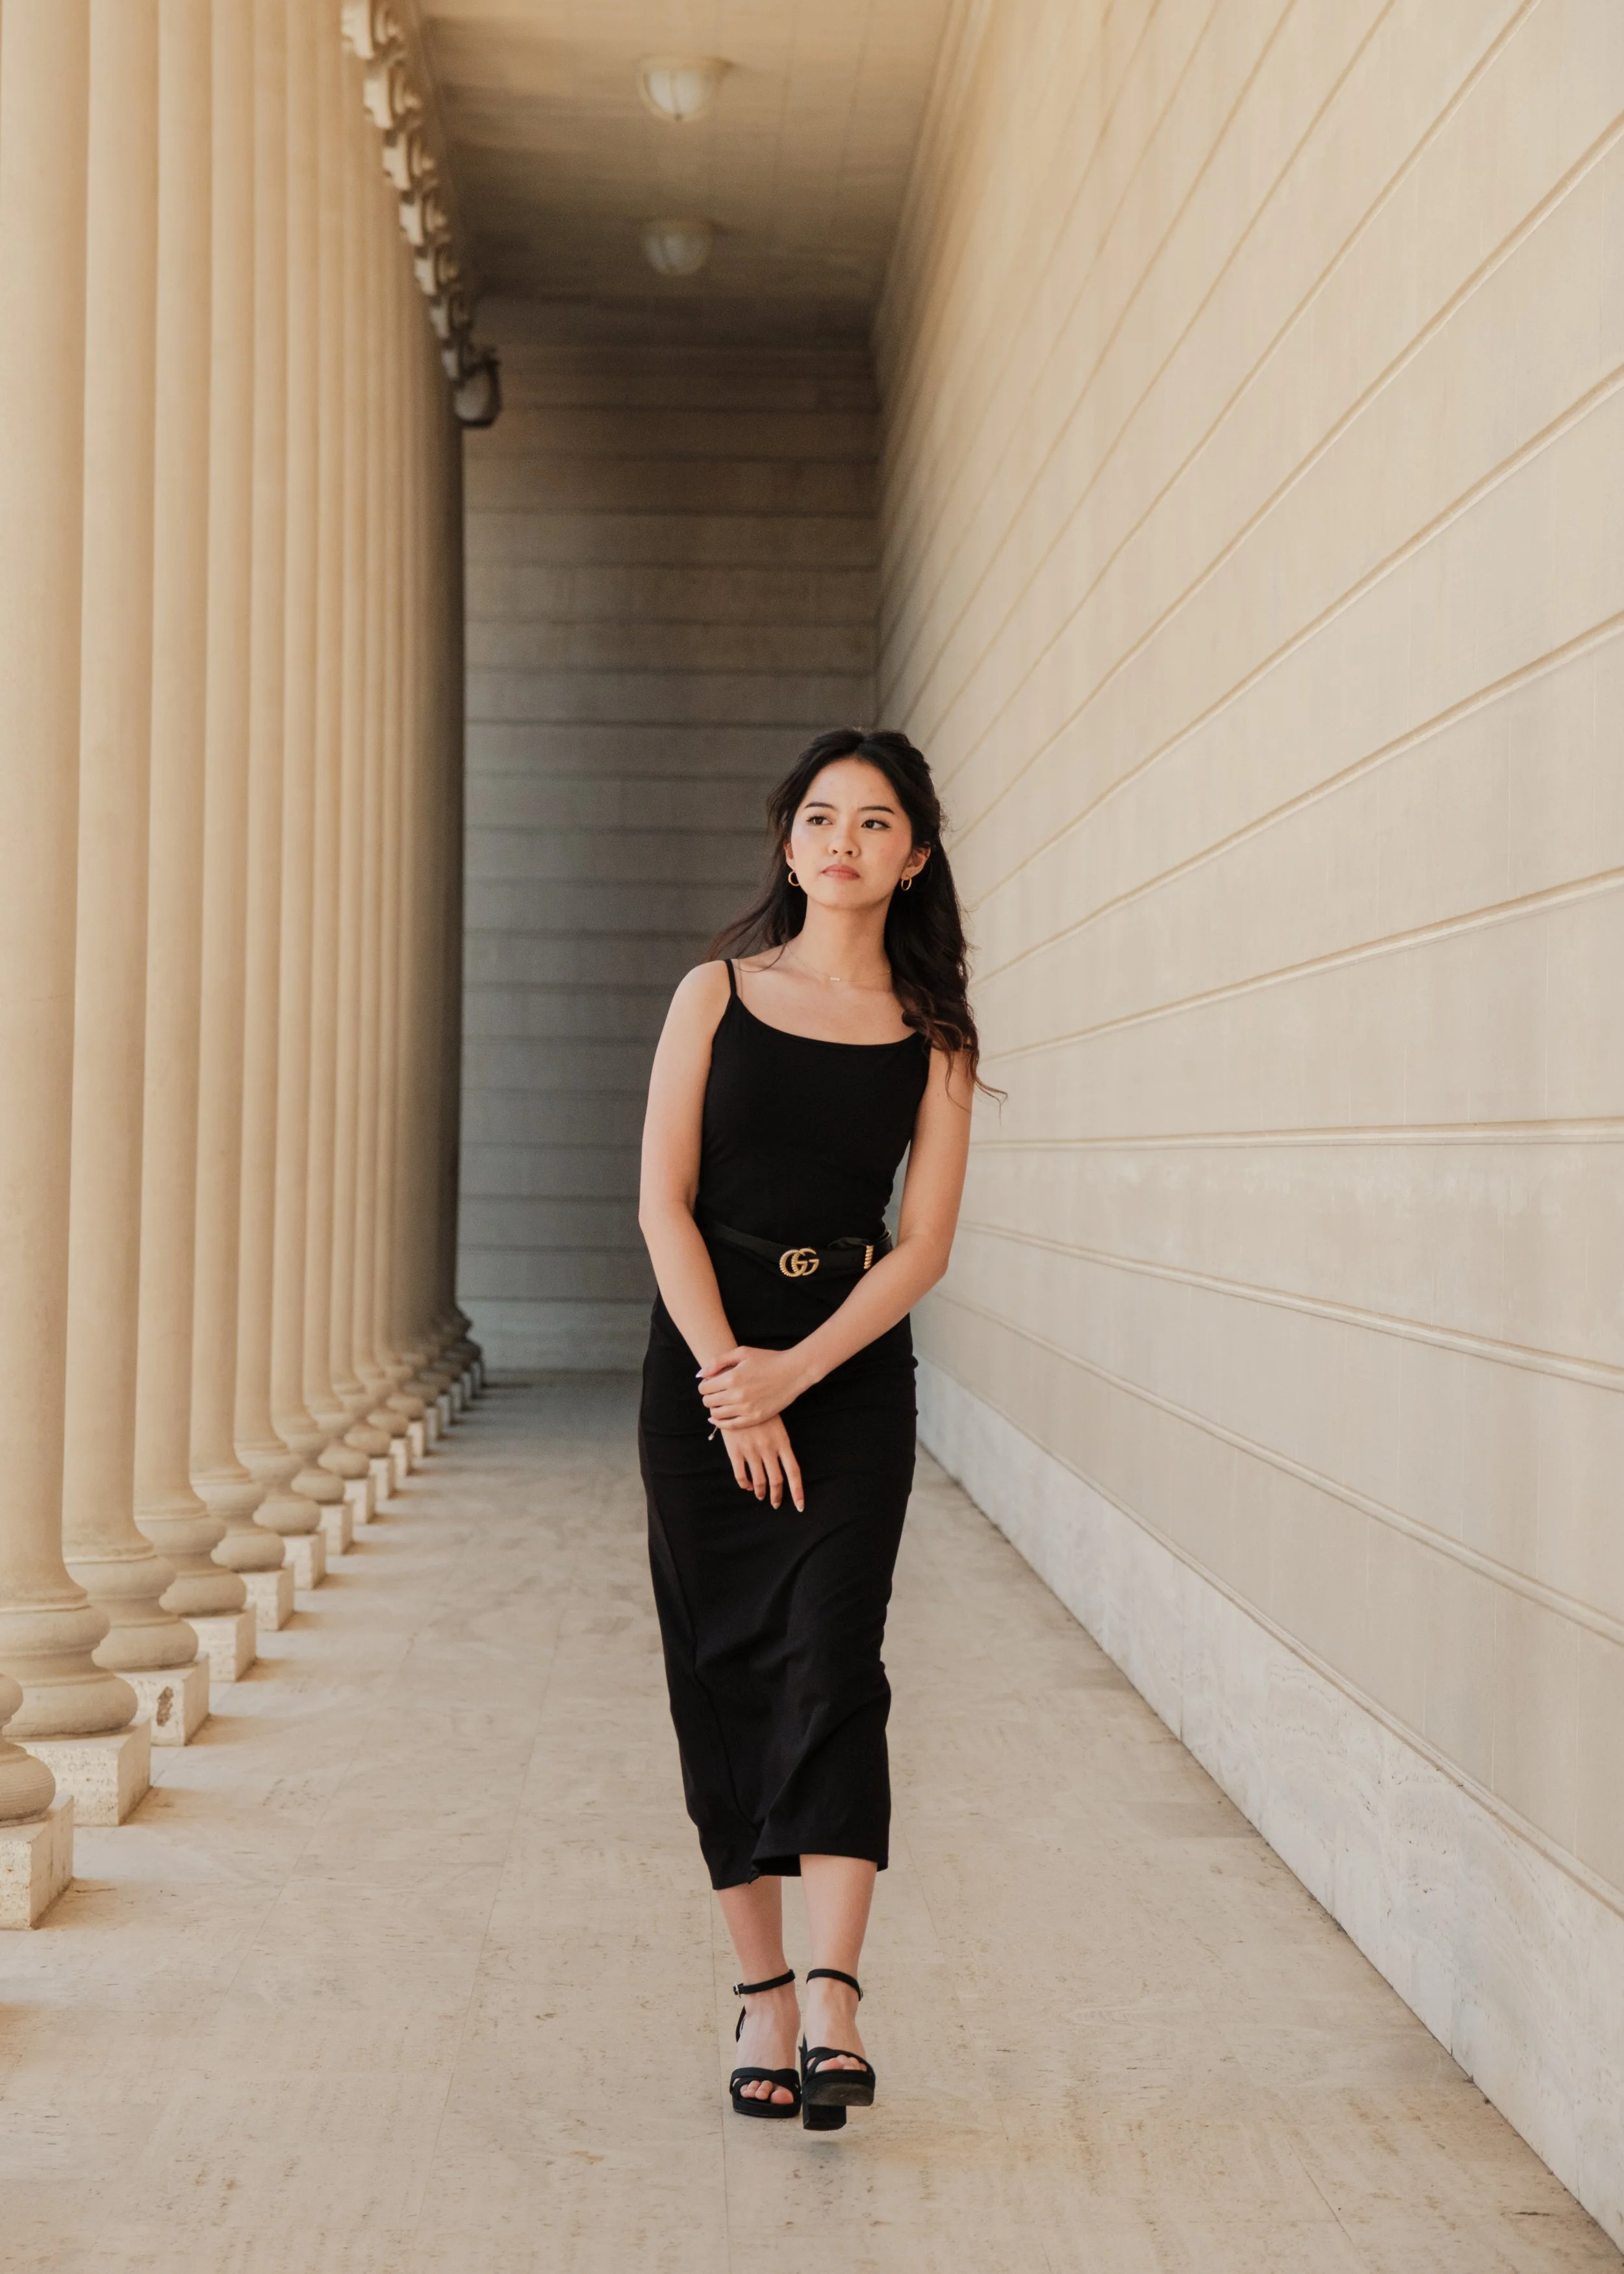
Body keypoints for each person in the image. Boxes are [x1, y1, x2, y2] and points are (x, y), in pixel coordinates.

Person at [637, 726, 983, 2130]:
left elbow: (922, 1247)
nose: (845, 841)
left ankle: (835, 1994)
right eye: (822, 817)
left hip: (846, 1371)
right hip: (706, 1365)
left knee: (834, 1655)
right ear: (789, 844)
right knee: (722, 1665)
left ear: (915, 856)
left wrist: (798, 1375)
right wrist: (734, 1376)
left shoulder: (934, 1034)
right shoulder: (714, 994)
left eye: (875, 821)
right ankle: (762, 1999)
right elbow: (663, 1203)